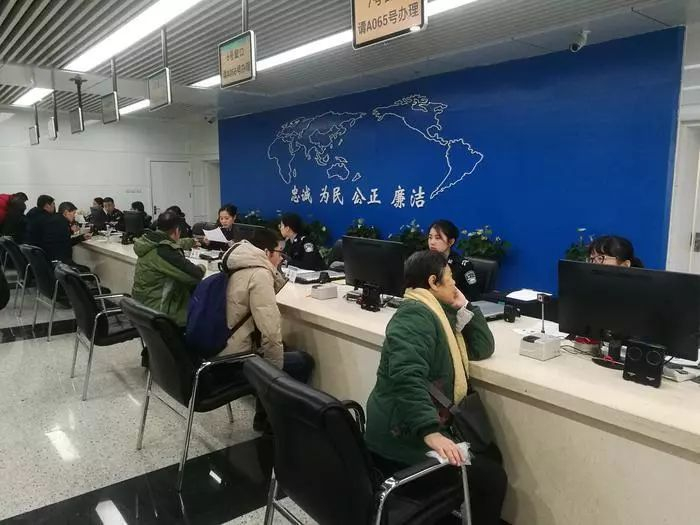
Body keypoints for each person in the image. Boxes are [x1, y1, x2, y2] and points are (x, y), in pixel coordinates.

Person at [365, 250, 506, 525]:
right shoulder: (414, 317)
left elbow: (481, 347)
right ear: (433, 281)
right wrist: (429, 431)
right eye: (450, 279)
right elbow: (406, 377)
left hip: (416, 423)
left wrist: (465, 305)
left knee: (489, 456)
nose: (455, 285)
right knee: (491, 477)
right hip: (402, 436)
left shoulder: (438, 313)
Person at [221, 228, 315, 433]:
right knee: (302, 361)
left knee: (280, 350)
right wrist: (273, 375)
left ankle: (264, 416)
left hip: (222, 349)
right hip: (235, 360)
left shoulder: (237, 263)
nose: (281, 258)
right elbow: (270, 333)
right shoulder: (259, 274)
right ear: (266, 252)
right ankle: (275, 423)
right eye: (279, 252)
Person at [132, 210, 206, 327]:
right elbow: (195, 276)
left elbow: (172, 242)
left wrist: (192, 242)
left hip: (142, 307)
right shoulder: (165, 252)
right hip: (159, 312)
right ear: (177, 230)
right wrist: (203, 266)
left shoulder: (150, 242)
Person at [428, 219, 481, 301]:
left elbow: (474, 296)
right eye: (430, 237)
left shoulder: (463, 266)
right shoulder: (424, 262)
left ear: (451, 242)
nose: (432, 242)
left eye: (437, 238)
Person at [36, 202, 92, 271]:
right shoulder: (62, 223)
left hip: (50, 261)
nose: (74, 216)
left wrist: (82, 237)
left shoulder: (54, 219)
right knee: (86, 270)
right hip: (60, 264)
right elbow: (66, 243)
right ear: (66, 213)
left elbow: (65, 241)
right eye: (73, 213)